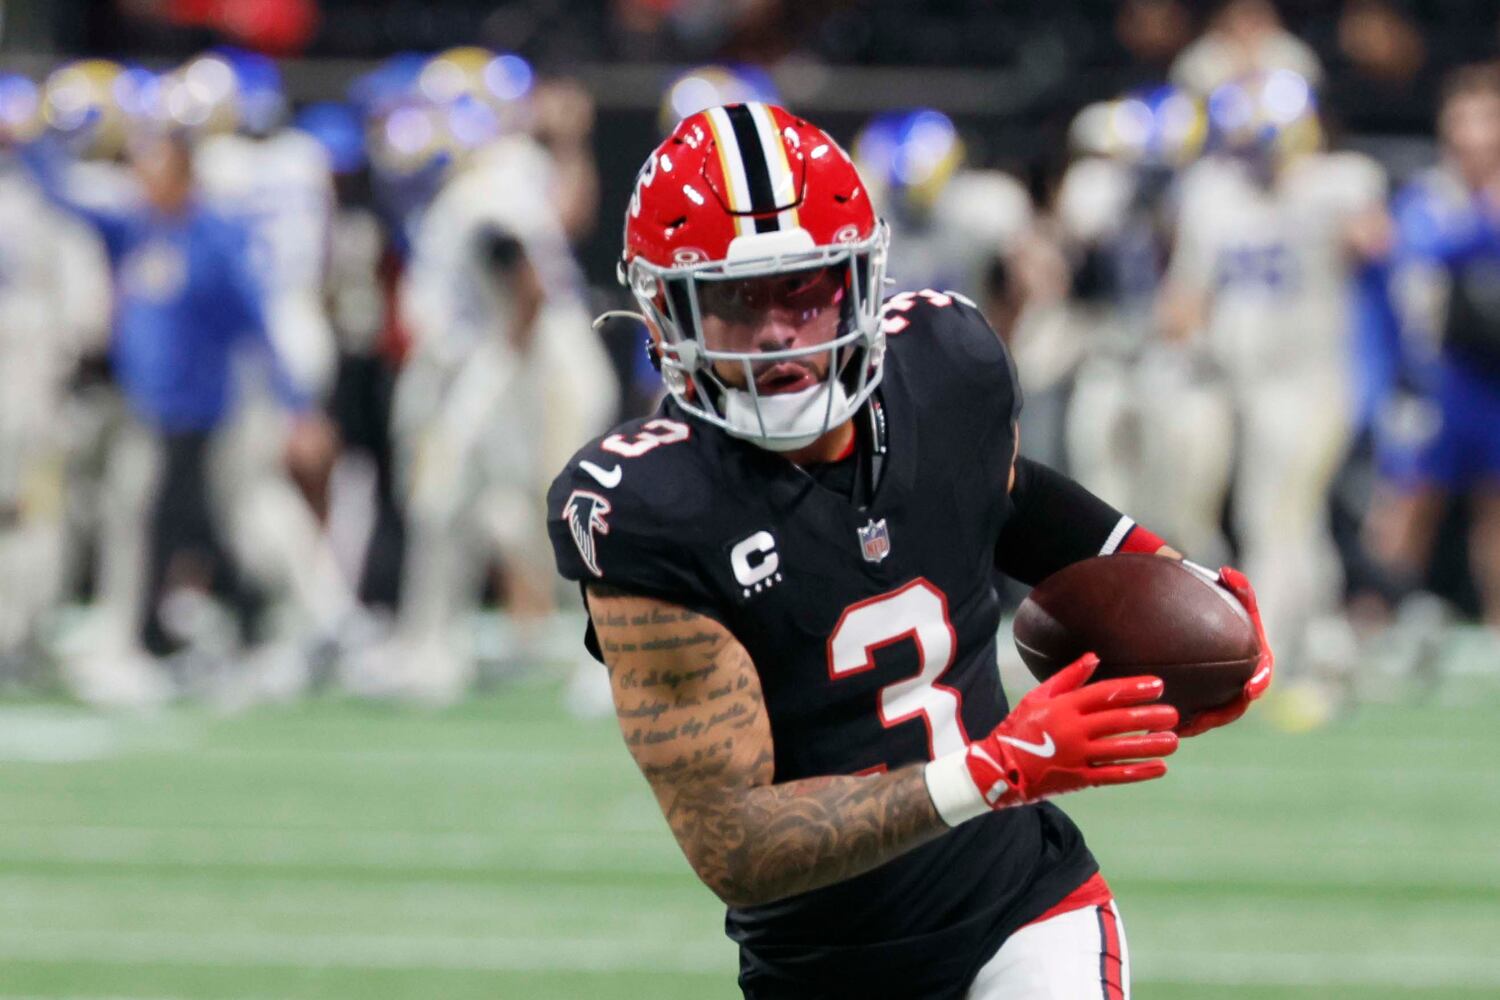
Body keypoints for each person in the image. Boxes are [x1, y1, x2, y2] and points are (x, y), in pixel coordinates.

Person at [548, 102, 1273, 998]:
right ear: (665, 313)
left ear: (859, 281)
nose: (777, 331)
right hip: (819, 971)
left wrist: (1176, 580)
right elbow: (734, 842)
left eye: (803, 289)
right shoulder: (652, 511)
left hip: (1021, 912)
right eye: (734, 299)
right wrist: (996, 767)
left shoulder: (945, 363)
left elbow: (1006, 491)